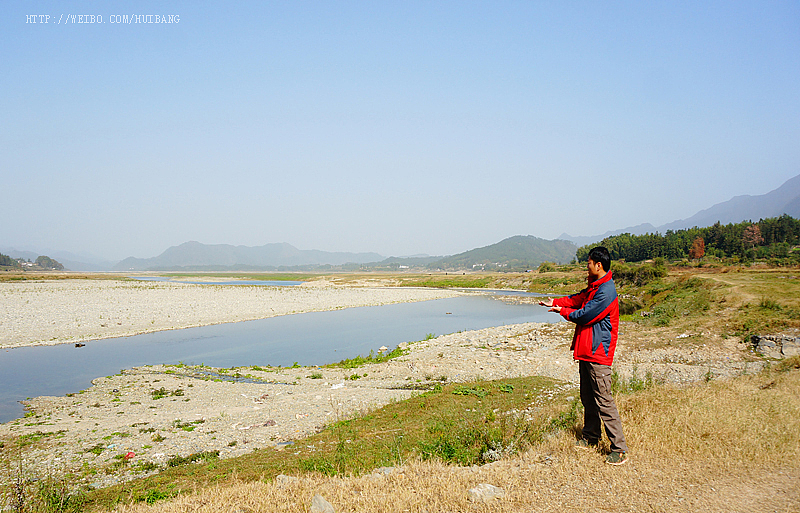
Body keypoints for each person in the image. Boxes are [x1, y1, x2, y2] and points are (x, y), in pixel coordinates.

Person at [539, 246, 628, 465]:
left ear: (599, 265)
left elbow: (585, 315)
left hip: (598, 353)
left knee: (604, 400)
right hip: (587, 351)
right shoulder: (595, 287)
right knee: (588, 398)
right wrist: (557, 302)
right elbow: (578, 299)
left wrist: (562, 312)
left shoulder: (606, 291)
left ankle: (619, 448)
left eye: (588, 263)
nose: (586, 267)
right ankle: (591, 437)